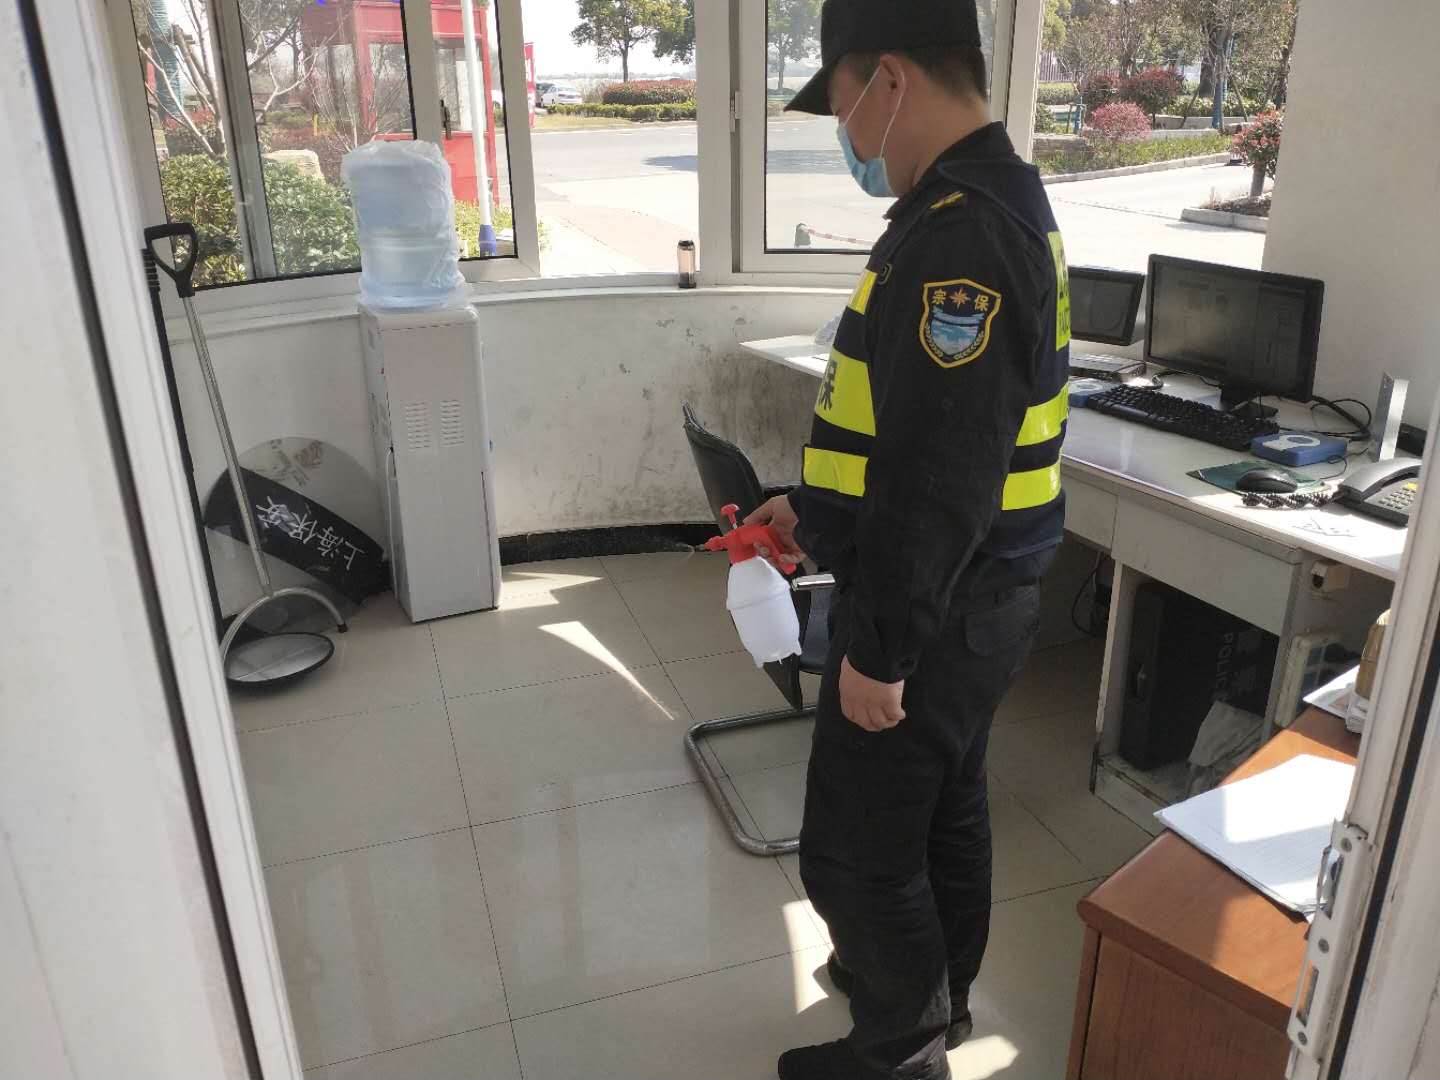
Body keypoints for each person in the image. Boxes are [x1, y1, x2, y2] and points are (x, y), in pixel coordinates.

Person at [745, 2, 1072, 1077]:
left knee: (856, 851)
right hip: (970, 602)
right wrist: (812, 511)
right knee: (942, 814)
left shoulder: (962, 237)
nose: (844, 133)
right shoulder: (974, 205)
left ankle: (899, 1050)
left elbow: (940, 481)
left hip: (936, 609)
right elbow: (910, 435)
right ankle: (937, 1006)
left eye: (841, 103)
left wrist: (880, 650)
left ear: (889, 81)